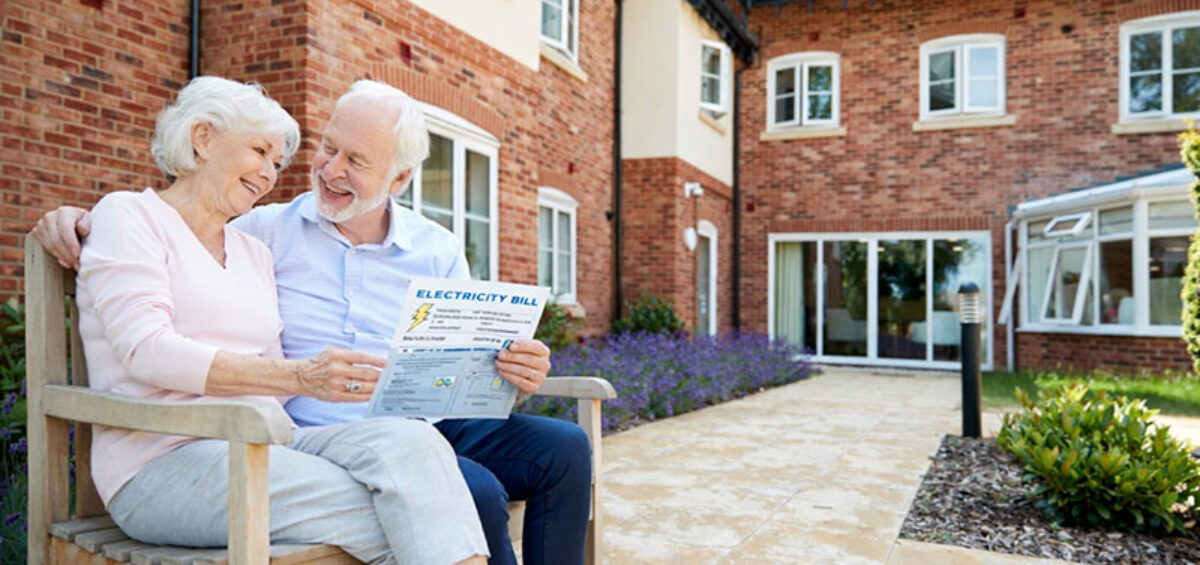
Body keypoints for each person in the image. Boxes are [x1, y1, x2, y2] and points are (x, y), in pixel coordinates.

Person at [34, 79, 592, 565]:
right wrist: (80, 219)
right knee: (449, 502)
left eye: (277, 160)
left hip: (343, 434)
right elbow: (150, 316)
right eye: (323, 150)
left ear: (397, 181)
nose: (298, 172)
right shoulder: (256, 229)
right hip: (221, 448)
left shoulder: (248, 247)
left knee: (484, 454)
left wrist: (508, 369)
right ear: (202, 138)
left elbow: (457, 366)